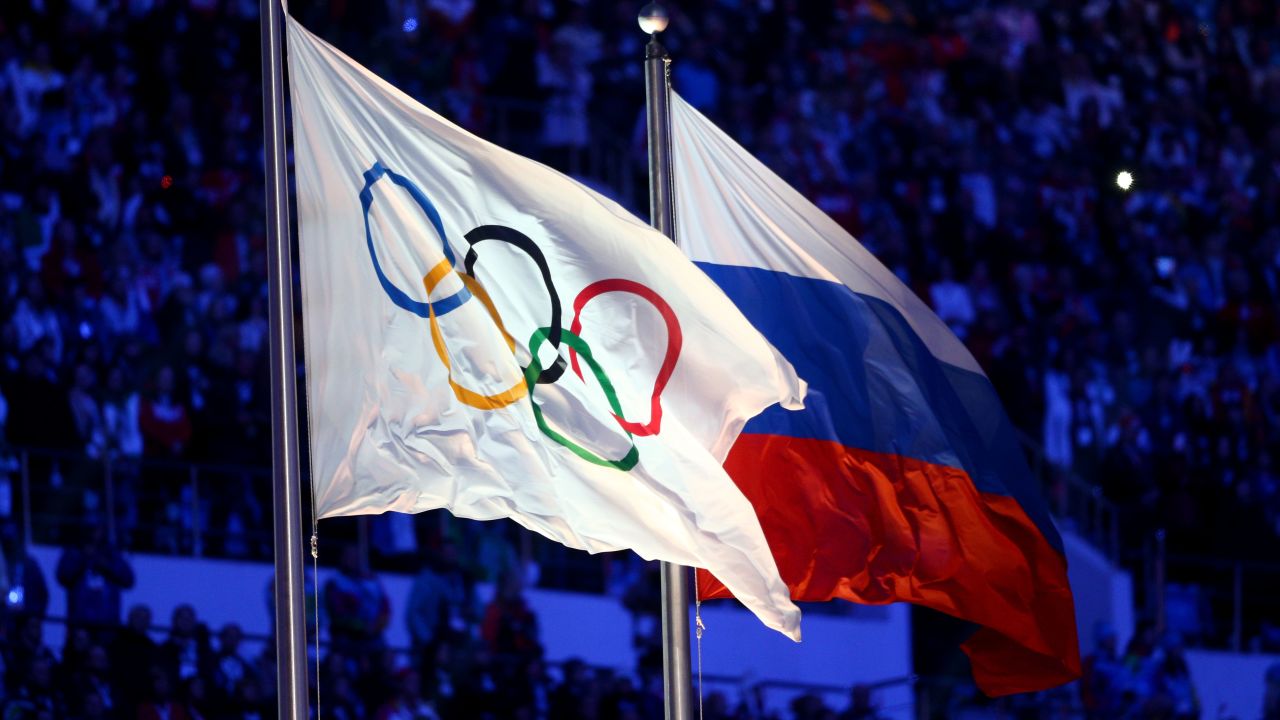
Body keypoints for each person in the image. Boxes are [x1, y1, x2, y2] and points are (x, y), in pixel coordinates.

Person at [56, 524, 135, 636]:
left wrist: (106, 565)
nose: (95, 533)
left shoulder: (112, 554)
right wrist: (83, 559)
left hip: (107, 624)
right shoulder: (73, 552)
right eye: (91, 528)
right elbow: (63, 577)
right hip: (79, 624)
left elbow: (129, 580)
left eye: (98, 527)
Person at [323, 544, 391, 656]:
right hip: (346, 634)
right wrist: (361, 626)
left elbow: (385, 609)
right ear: (342, 558)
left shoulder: (372, 581)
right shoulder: (335, 582)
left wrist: (376, 626)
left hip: (372, 633)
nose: (354, 560)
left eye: (356, 557)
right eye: (350, 556)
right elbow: (337, 614)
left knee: (387, 655)